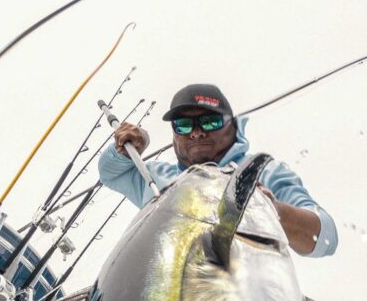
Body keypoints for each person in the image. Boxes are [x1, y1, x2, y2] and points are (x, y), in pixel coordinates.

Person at [98, 83, 337, 257]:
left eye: (210, 121)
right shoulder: (157, 176)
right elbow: (111, 172)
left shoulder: (262, 172)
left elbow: (326, 237)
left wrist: (271, 211)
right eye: (183, 125)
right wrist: (125, 149)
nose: (196, 132)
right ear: (173, 134)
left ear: (232, 126)